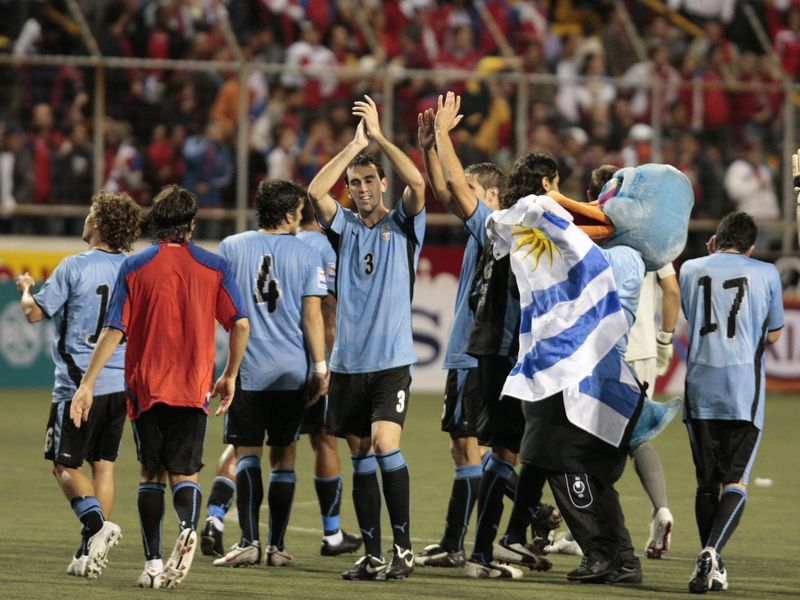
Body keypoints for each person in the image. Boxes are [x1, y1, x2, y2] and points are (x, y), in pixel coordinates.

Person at [69, 184, 250, 589]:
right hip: (193, 385)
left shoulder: (133, 267)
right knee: (185, 475)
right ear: (191, 224)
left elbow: (114, 330)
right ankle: (187, 524)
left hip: (146, 385)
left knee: (150, 474)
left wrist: (88, 383)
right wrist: (230, 374)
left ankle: (152, 564)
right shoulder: (214, 266)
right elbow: (240, 323)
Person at [307, 95, 427, 581]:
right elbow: (315, 191)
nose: (358, 190)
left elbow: (418, 182)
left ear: (382, 183)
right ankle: (374, 552)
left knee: (383, 444)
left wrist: (377, 140)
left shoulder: (404, 224)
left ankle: (403, 549)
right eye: (353, 184)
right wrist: (351, 147)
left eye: (366, 181)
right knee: (359, 453)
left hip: (392, 362)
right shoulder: (344, 228)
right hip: (348, 363)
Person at [200, 200, 361, 559]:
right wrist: (325, 364)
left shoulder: (234, 244)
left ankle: (218, 519)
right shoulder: (317, 248)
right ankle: (320, 536)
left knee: (244, 448)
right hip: (298, 366)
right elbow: (323, 311)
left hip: (249, 364)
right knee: (311, 444)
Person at [16, 191, 140, 579]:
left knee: (63, 464)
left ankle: (96, 527)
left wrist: (24, 288)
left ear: (98, 223)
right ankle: (90, 551)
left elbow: (35, 313)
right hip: (120, 385)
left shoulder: (74, 266)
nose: (85, 220)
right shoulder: (134, 268)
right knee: (103, 465)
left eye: (90, 214)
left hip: (77, 384)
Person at [413, 100, 501, 569]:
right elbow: (445, 191)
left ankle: (464, 543)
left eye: (471, 188)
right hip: (466, 355)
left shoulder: (494, 229)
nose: (459, 193)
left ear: (491, 196)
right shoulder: (481, 230)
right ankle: (465, 540)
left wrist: (445, 135)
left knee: (472, 449)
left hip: (475, 356)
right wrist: (430, 147)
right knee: (468, 449)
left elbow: (452, 189)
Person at [680, 212, 783, 594]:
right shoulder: (767, 273)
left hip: (700, 386)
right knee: (736, 481)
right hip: (743, 389)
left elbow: (693, 316)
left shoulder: (690, 268)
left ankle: (711, 565)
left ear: (715, 239)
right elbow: (773, 336)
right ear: (751, 247)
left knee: (706, 482)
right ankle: (712, 550)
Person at [588, 164, 682, 560]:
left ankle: (592, 532)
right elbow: (671, 291)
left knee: (593, 438)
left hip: (608, 348)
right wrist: (664, 342)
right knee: (637, 434)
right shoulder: (651, 235)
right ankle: (660, 508)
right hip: (643, 348)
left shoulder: (597, 233)